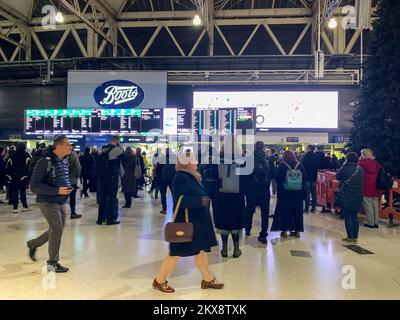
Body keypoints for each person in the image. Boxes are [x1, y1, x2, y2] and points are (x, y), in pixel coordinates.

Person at [153, 151, 224, 293]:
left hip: (196, 222)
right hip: (186, 222)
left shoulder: (192, 176)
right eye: (193, 160)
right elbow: (180, 199)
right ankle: (159, 281)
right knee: (175, 253)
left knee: (199, 251)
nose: (196, 162)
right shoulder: (181, 177)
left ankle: (207, 279)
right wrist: (200, 201)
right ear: (187, 163)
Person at [28, 135, 74, 273]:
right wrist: (57, 190)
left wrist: (68, 187)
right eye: (68, 144)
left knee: (56, 230)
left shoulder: (64, 160)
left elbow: (62, 178)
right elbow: (34, 185)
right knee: (57, 230)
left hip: (60, 200)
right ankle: (52, 264)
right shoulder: (44, 161)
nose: (70, 147)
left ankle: (33, 244)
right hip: (47, 201)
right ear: (59, 147)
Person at [215, 139, 245, 258]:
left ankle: (224, 249)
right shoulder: (242, 160)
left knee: (224, 221)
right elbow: (247, 177)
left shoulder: (218, 159)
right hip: (237, 196)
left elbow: (213, 176)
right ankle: (236, 249)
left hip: (222, 196)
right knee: (236, 220)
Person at [271, 150, 306, 238]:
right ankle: (297, 231)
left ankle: (285, 231)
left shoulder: (282, 165)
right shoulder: (300, 165)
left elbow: (278, 179)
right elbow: (305, 178)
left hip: (285, 194)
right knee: (297, 212)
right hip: (298, 193)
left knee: (285, 212)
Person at [97, 136, 128, 225]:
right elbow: (126, 159)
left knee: (103, 198)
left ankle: (100, 218)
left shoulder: (104, 149)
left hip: (103, 177)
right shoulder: (116, 150)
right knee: (112, 198)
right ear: (117, 141)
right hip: (112, 177)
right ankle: (110, 219)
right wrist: (121, 148)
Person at [244, 141, 271, 244]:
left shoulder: (249, 158)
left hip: (251, 189)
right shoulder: (268, 159)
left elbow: (245, 175)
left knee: (250, 209)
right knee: (265, 212)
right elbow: (273, 174)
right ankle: (263, 234)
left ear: (255, 147)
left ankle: (247, 229)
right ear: (263, 147)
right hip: (264, 190)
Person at [335, 152, 364, 243]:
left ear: (347, 159)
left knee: (348, 216)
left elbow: (337, 176)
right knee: (354, 216)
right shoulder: (360, 169)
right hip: (358, 195)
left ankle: (350, 237)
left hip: (347, 194)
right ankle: (355, 237)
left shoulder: (345, 168)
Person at [5, 142, 32, 213]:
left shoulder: (12, 155)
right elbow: (30, 166)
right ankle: (24, 206)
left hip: (14, 177)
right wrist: (28, 176)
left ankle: (15, 207)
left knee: (14, 191)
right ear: (24, 147)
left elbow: (8, 166)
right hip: (23, 176)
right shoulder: (27, 155)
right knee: (23, 191)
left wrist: (9, 176)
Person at [359, 149, 382, 229]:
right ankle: (376, 223)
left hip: (366, 186)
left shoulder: (361, 163)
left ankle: (370, 223)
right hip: (375, 186)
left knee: (368, 205)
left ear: (364, 155)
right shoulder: (376, 163)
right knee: (375, 205)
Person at [198, 146, 219, 222]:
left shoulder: (204, 160)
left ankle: (206, 219)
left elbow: (199, 172)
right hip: (216, 186)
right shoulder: (218, 161)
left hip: (205, 185)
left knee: (206, 204)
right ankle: (216, 220)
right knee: (216, 206)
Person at [301, 145, 319, 214]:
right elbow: (318, 166)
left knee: (307, 194)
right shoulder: (316, 156)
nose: (306, 149)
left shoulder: (305, 156)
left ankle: (306, 209)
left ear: (309, 149)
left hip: (307, 177)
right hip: (314, 177)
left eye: (306, 148)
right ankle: (313, 209)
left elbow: (302, 166)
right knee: (314, 194)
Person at [158, 148, 176, 215]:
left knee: (163, 194)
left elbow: (158, 170)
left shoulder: (162, 158)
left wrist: (159, 179)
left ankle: (164, 209)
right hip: (172, 179)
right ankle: (175, 208)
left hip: (163, 180)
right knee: (174, 194)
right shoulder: (175, 158)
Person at [68, 144, 81, 219]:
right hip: (72, 179)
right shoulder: (73, 155)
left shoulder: (62, 155)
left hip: (62, 179)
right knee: (72, 197)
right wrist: (77, 176)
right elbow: (78, 167)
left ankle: (59, 213)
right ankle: (73, 213)